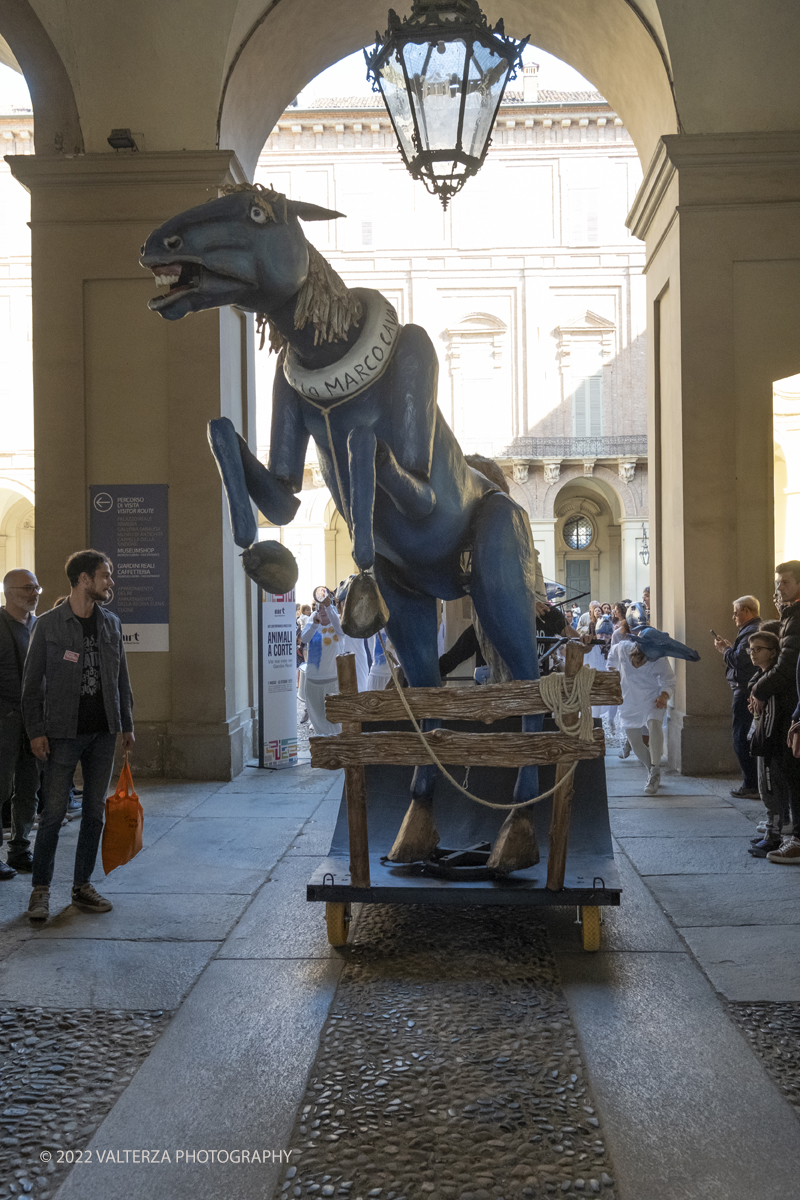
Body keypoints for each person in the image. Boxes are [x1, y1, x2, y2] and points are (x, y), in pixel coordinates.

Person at [21, 550, 135, 922]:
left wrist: (127, 723)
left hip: (102, 731)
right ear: (84, 579)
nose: (110, 582)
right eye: (105, 576)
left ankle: (81, 885)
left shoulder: (111, 623)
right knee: (53, 814)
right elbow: (32, 684)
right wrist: (36, 731)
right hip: (62, 733)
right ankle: (40, 891)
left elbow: (121, 678)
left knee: (94, 813)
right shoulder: (50, 624)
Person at [749, 562, 800, 864]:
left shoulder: (796, 617)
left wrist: (759, 689)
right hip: (793, 702)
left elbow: (787, 667)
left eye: (785, 582)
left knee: (793, 774)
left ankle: (795, 838)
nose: (779, 588)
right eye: (778, 582)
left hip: (793, 705)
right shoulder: (791, 615)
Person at [0, 569, 43, 877]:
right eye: (27, 588)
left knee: (29, 787)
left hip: (34, 720)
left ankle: (19, 849)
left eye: (36, 588)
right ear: (8, 592)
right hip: (4, 720)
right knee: (0, 788)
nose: (34, 593)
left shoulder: (39, 626)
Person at [607, 637, 676, 795]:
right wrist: (612, 674)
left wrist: (664, 696)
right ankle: (652, 770)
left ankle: (655, 770)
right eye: (638, 661)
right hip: (629, 700)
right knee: (636, 743)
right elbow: (611, 659)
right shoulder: (622, 648)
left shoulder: (658, 658)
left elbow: (669, 679)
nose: (639, 664)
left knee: (654, 724)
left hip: (652, 698)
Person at [746, 631, 789, 856]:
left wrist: (763, 743)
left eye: (758, 649)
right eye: (750, 649)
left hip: (769, 744)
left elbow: (771, 715)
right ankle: (770, 834)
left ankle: (774, 838)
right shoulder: (762, 677)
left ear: (773, 653)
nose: (753, 653)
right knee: (766, 789)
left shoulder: (770, 682)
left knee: (771, 790)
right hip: (764, 741)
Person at [713, 594, 761, 798]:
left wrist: (725, 650)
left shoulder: (750, 631)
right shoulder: (754, 630)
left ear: (747, 611)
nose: (733, 617)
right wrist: (731, 648)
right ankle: (753, 783)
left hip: (744, 691)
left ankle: (751, 785)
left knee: (741, 737)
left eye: (736, 613)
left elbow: (741, 660)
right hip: (748, 689)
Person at [299, 592, 343, 736]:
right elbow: (304, 639)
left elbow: (340, 629)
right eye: (320, 608)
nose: (322, 611)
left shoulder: (337, 625)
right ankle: (324, 748)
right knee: (317, 718)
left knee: (335, 719)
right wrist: (313, 624)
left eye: (325, 608)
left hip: (333, 680)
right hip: (313, 680)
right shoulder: (312, 624)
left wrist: (328, 606)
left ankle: (337, 748)